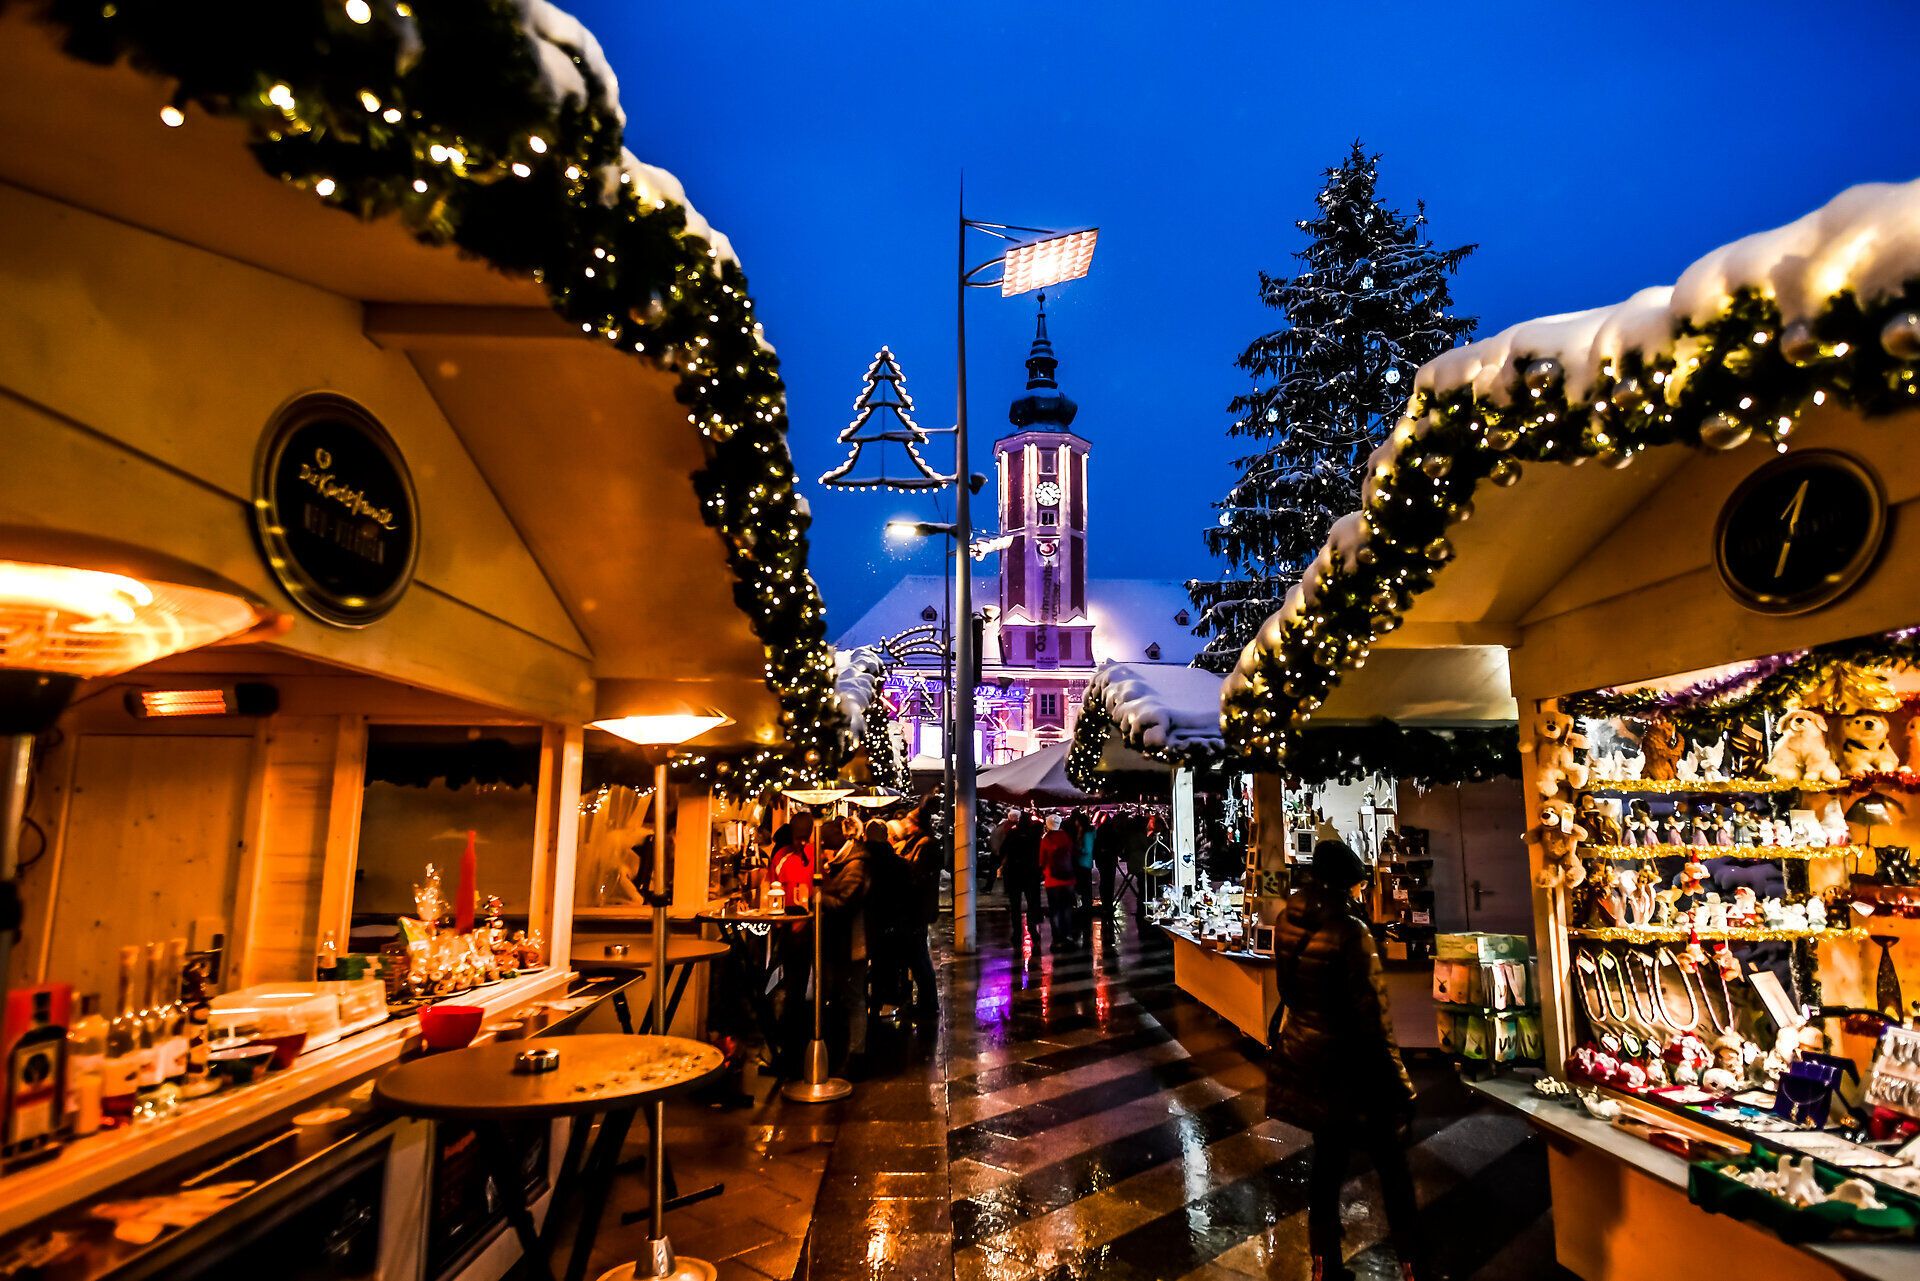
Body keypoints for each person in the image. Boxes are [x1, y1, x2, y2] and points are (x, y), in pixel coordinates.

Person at [1271, 840, 1428, 1281]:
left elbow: (1289, 992)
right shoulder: (1351, 933)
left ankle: (1324, 1263)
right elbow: (1374, 1020)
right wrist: (1401, 1083)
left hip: (1312, 1061)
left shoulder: (1286, 920)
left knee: (1327, 1162)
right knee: (1392, 1167)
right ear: (1345, 883)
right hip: (1356, 1068)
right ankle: (1412, 1263)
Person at [816, 818, 878, 1073]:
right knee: (845, 996)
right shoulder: (846, 862)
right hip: (843, 942)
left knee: (852, 997)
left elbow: (845, 902)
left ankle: (856, 1055)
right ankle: (847, 1050)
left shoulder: (855, 864)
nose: (821, 842)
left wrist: (818, 896)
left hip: (852, 943)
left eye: (825, 837)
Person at [892, 801, 942, 1020]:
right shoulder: (917, 843)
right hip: (915, 909)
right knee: (916, 957)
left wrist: (898, 862)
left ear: (916, 825)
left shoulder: (925, 845)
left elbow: (915, 875)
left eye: (909, 821)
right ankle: (922, 1001)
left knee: (919, 958)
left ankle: (928, 1003)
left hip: (916, 910)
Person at [1002, 811, 1046, 946]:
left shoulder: (1012, 834)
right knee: (1032, 904)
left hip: (1014, 874)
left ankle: (1016, 933)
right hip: (1030, 875)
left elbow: (1003, 850)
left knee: (1015, 906)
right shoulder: (1034, 836)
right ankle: (1033, 930)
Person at [1039, 814, 1078, 952]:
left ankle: (1057, 939)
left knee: (1055, 910)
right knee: (1067, 908)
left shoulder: (1046, 839)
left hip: (1052, 881)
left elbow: (1042, 861)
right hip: (1068, 880)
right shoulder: (1066, 837)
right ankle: (1068, 936)